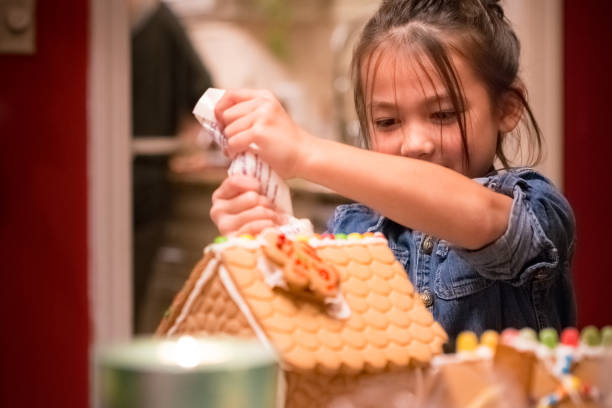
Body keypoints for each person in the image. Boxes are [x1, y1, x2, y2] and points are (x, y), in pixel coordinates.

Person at [208, 0, 576, 345]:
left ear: (507, 108)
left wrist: (305, 151)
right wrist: (264, 242)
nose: (414, 142)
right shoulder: (353, 230)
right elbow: (311, 338)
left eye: (444, 114)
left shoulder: (537, 211)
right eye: (387, 121)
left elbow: (480, 215)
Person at [130, 0, 213, 333]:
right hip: (146, 174)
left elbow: (204, 93)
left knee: (129, 295)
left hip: (148, 177)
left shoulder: (158, 21)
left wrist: (191, 144)